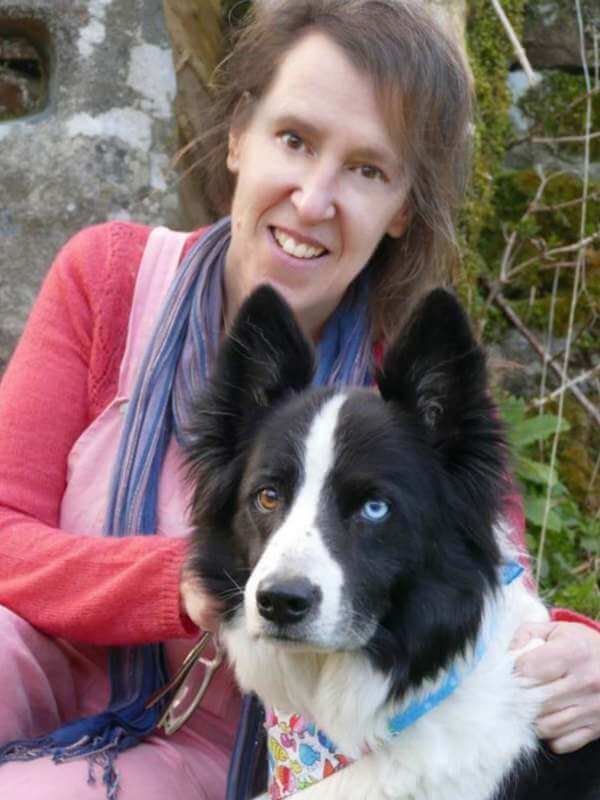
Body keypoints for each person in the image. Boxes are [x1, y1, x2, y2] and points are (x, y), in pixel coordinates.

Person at [0, 1, 598, 798]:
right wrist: (180, 583)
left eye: (367, 169)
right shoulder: (110, 278)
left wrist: (584, 648)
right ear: (238, 135)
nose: (315, 200)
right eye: (295, 140)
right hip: (39, 659)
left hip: (230, 748)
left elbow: (484, 567)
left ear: (404, 209)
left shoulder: (409, 390)